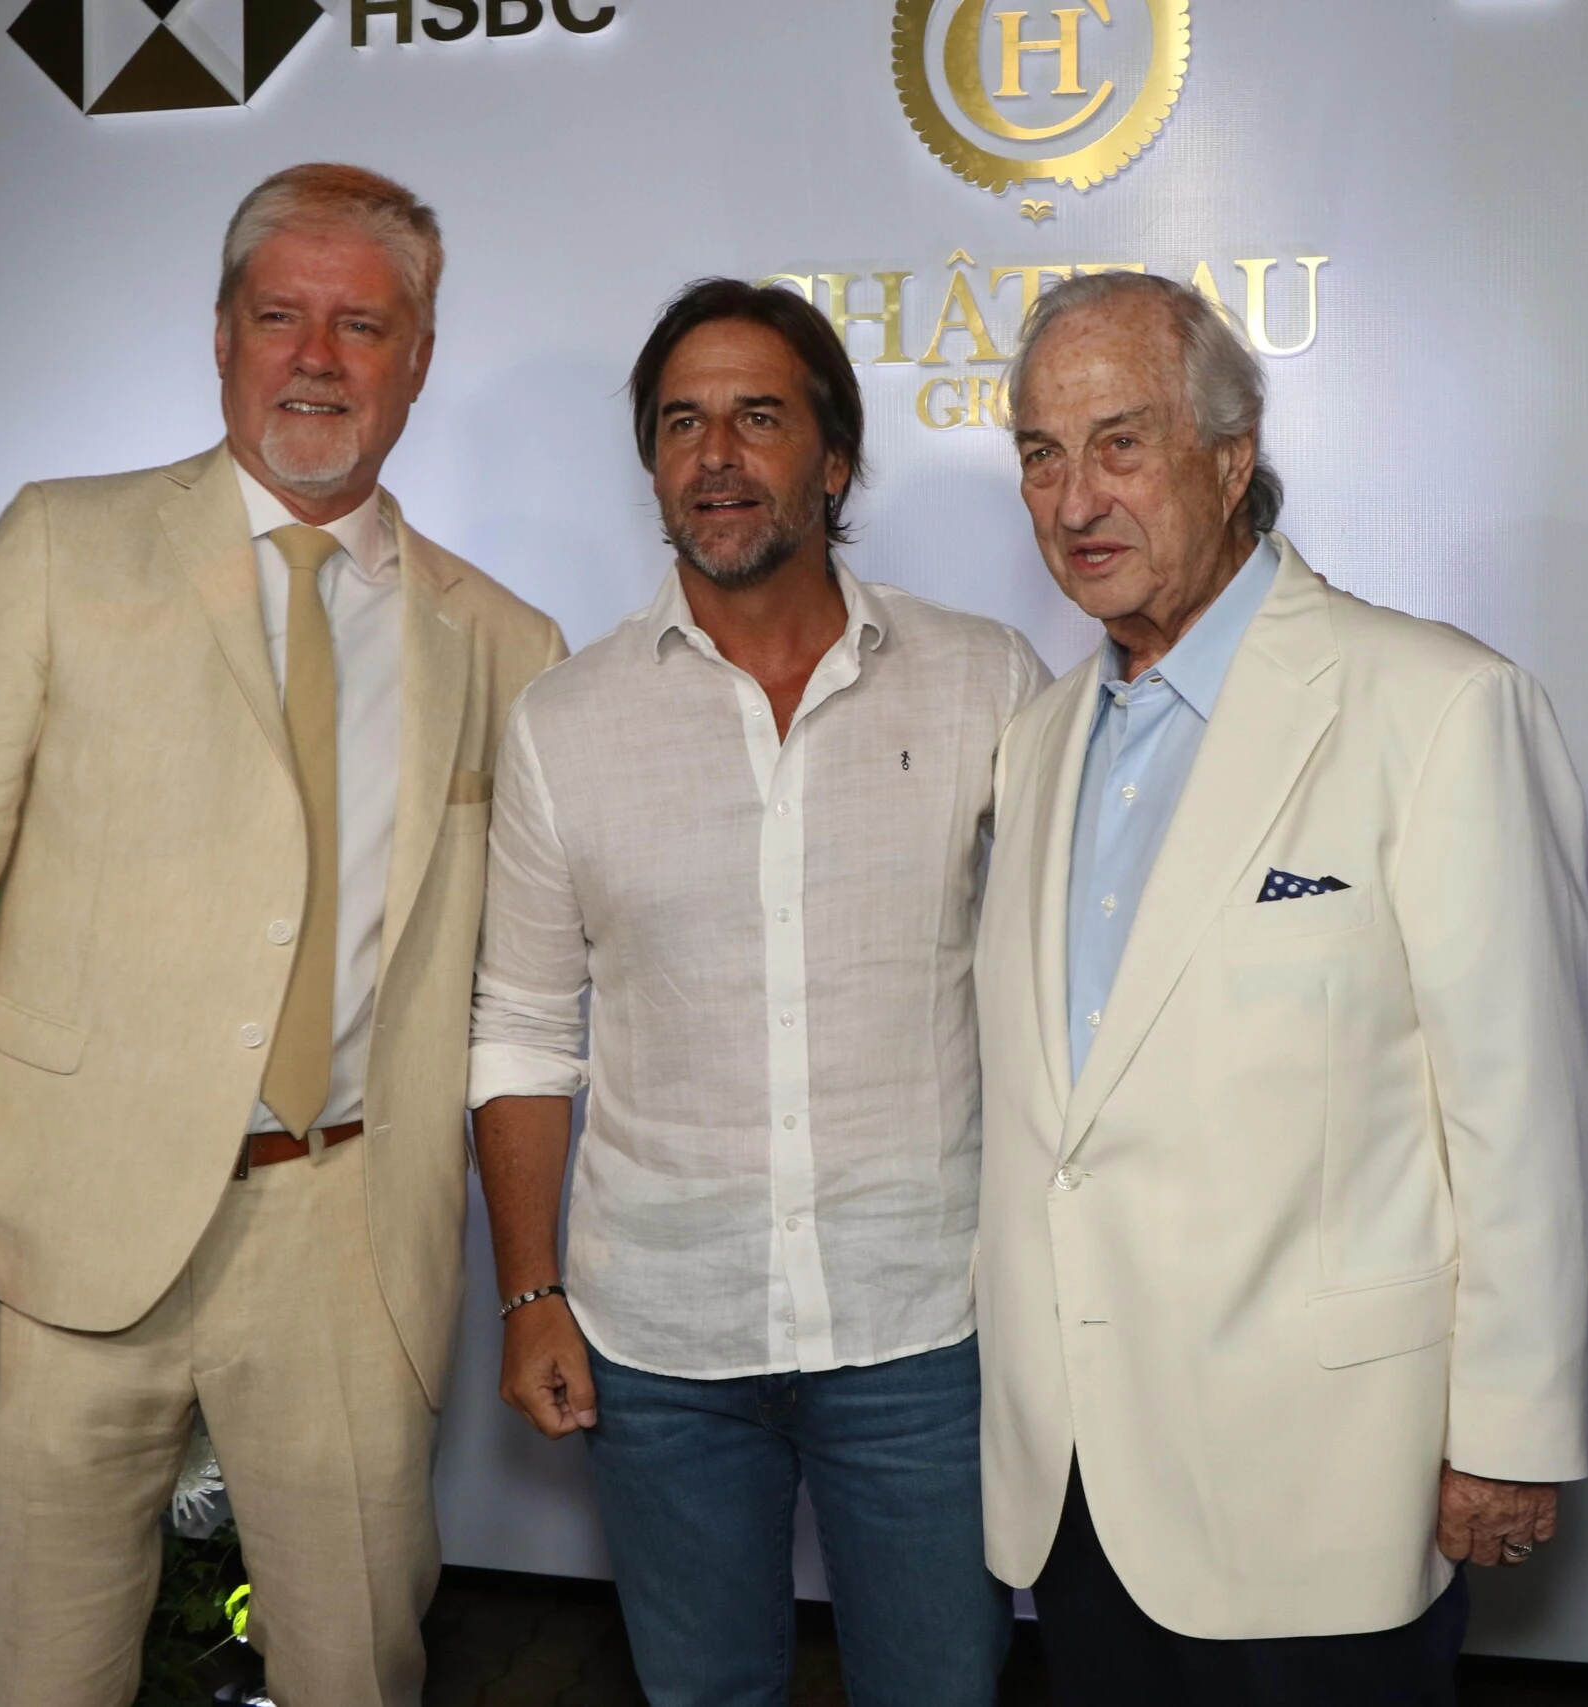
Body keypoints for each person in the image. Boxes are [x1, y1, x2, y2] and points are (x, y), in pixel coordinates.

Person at [0, 163, 566, 1706]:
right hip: (53, 1233)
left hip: (351, 1241)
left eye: (362, 324)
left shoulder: (505, 640)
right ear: (220, 333)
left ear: (420, 356)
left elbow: (520, 983)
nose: (318, 357)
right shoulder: (57, 546)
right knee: (37, 1676)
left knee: (355, 1671)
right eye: (281, 315)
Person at [972, 270, 1588, 1706]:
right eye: (1041, 455)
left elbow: (1523, 1111)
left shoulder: (1436, 706)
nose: (1076, 500)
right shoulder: (1037, 738)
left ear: (1230, 456)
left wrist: (1509, 1429)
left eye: (1121, 444)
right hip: (1078, 1485)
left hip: (1323, 1485)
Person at [467, 277, 1048, 1707]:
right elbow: (523, 1033)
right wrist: (530, 1291)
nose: (715, 455)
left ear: (834, 460)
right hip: (660, 1340)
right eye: (682, 423)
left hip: (924, 1324)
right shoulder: (564, 722)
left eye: (758, 417)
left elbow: (1061, 989)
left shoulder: (983, 681)